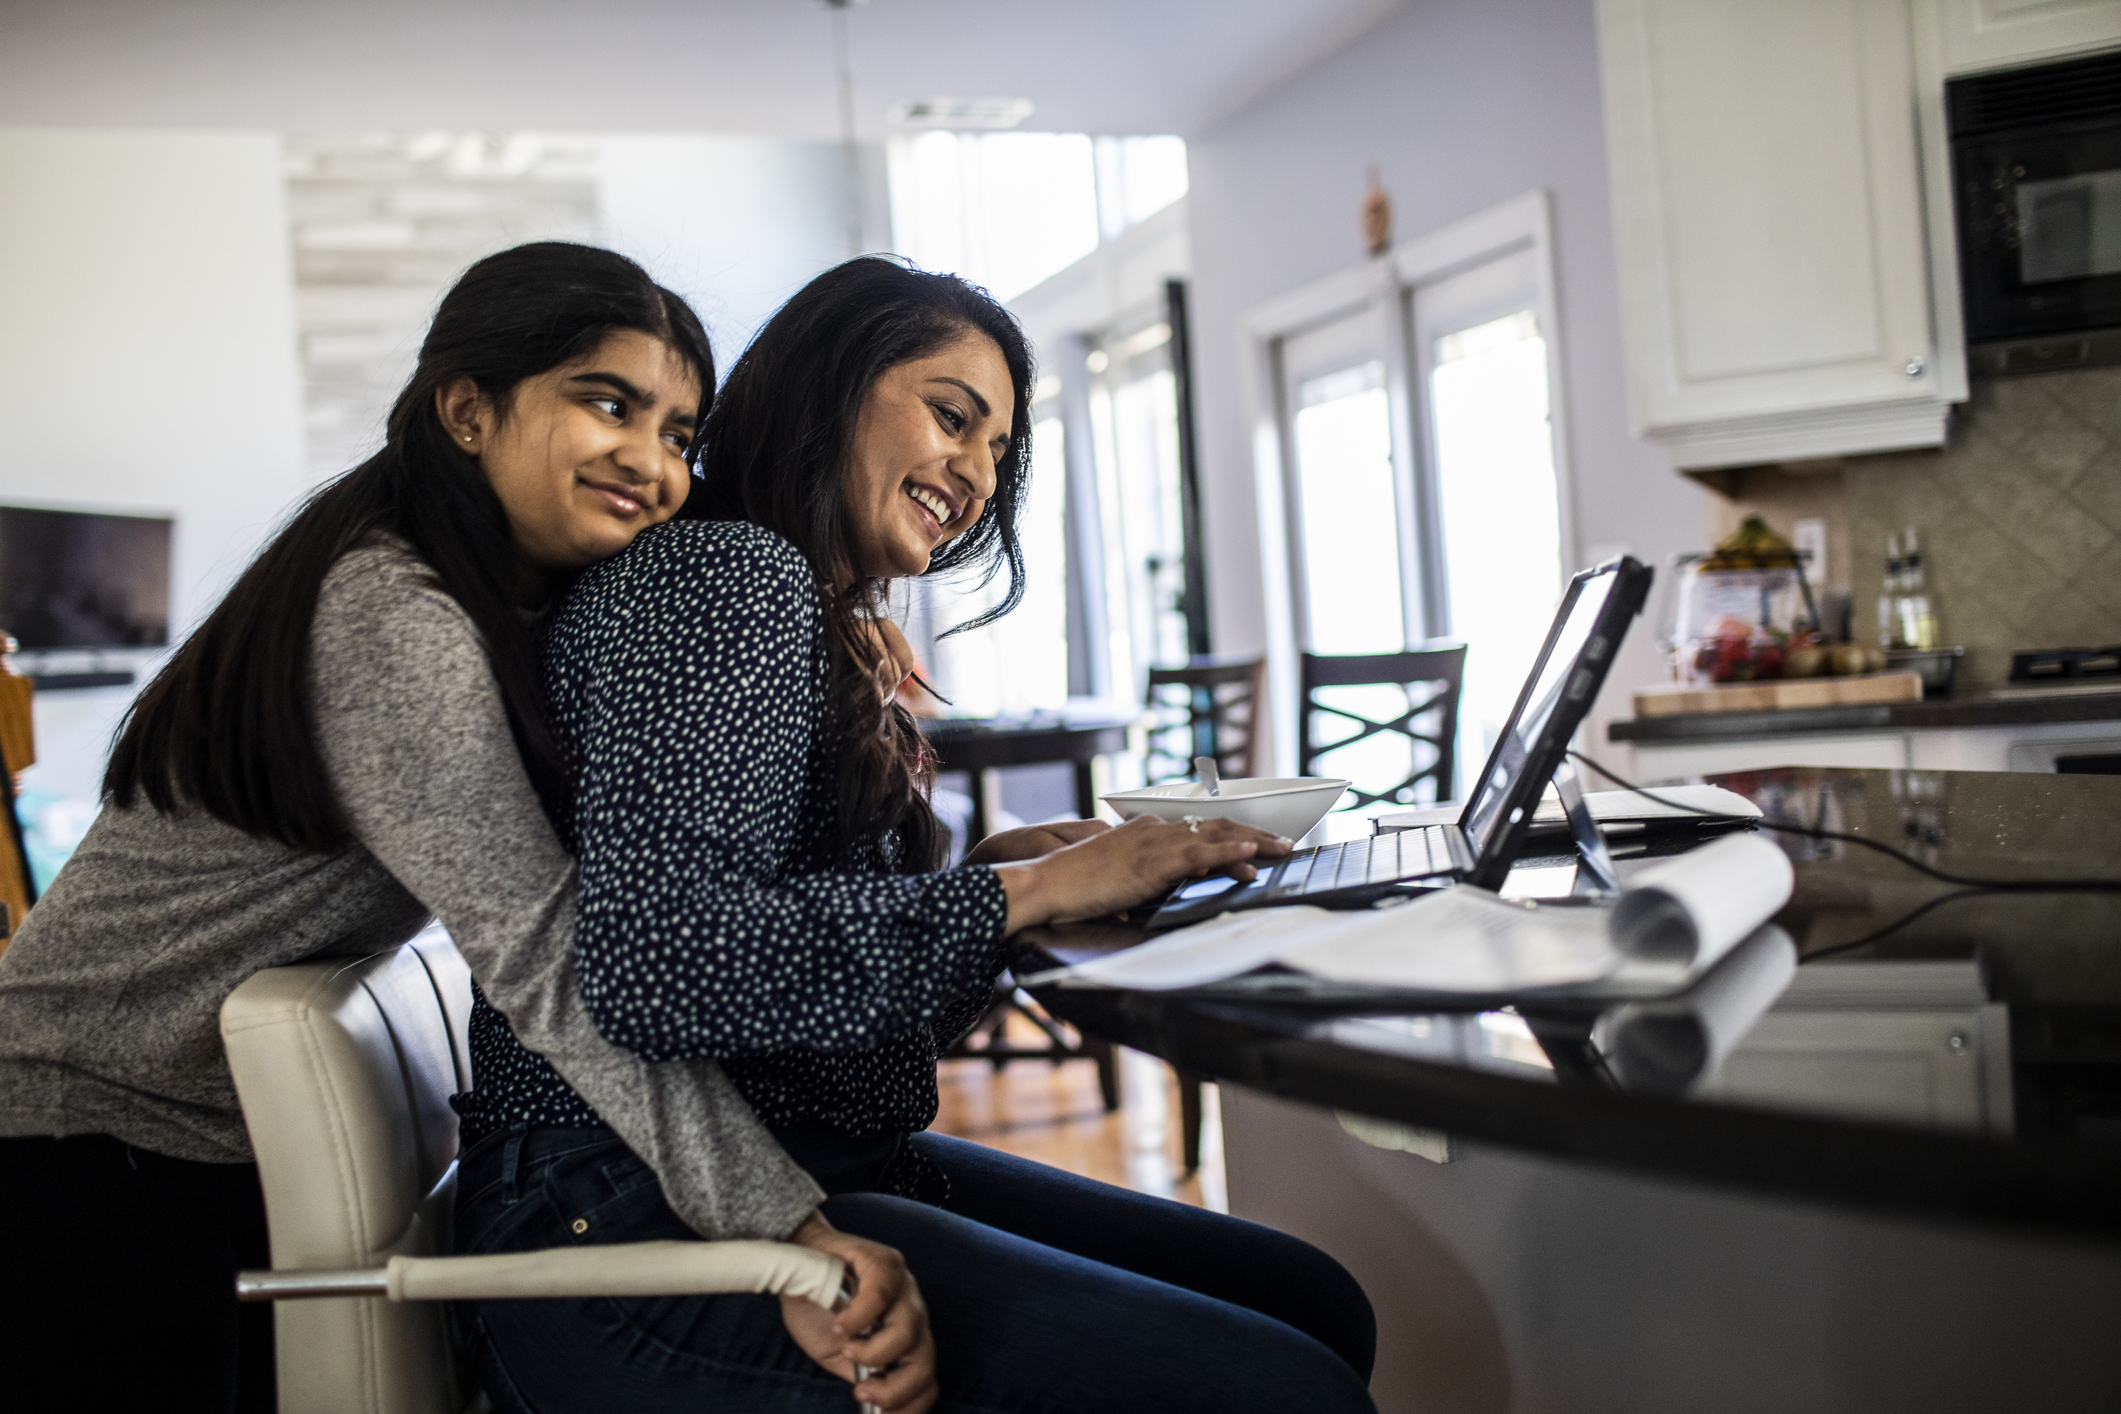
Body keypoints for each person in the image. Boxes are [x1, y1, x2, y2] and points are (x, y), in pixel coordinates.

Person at [450, 257, 1379, 1414]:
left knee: (1314, 1302)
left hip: (779, 1164)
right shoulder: (725, 580)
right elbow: (658, 966)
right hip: (620, 1223)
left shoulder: (799, 610)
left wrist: (993, 881)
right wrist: (1017, 903)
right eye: (953, 418)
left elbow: (827, 1030)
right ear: (833, 387)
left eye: (999, 451)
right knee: (1289, 1383)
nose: (980, 477)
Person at [0, 242, 873, 1412]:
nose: (653, 463)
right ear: (468, 409)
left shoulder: (502, 594)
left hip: (188, 1136)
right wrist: (782, 1229)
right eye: (607, 403)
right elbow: (543, 951)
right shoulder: (390, 614)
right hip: (78, 1139)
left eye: (677, 432)